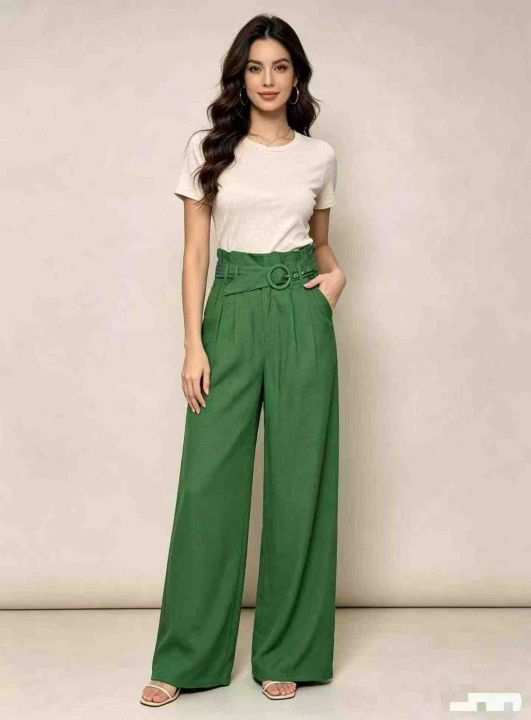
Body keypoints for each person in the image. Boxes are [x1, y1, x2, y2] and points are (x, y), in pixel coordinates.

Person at [140, 13, 347, 707]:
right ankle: (187, 657)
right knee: (208, 485)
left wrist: (335, 281)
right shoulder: (209, 148)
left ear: (297, 77)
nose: (267, 79)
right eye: (255, 67)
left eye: (280, 67)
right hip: (229, 309)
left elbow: (320, 242)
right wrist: (193, 343)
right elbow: (194, 253)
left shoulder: (318, 157)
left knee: (299, 483)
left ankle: (287, 652)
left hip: (299, 313)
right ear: (240, 75)